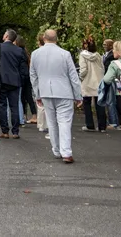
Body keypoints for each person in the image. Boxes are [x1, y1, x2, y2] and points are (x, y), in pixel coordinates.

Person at [30, 28, 83, 163]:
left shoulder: (35, 54)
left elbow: (33, 76)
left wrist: (37, 94)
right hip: (64, 92)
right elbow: (73, 76)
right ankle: (66, 152)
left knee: (52, 122)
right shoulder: (65, 54)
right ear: (57, 39)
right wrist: (78, 95)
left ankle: (56, 150)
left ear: (44, 38)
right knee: (64, 121)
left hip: (45, 92)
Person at [0, 29, 29, 139]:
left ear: (6, 36)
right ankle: (15, 132)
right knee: (14, 106)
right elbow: (23, 68)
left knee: (2, 106)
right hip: (15, 81)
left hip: (1, 80)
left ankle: (5, 131)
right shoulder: (19, 50)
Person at [78, 37, 107, 132]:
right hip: (98, 80)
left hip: (87, 81)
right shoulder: (98, 55)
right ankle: (102, 126)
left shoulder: (82, 55)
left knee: (87, 103)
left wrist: (80, 78)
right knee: (100, 103)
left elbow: (83, 69)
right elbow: (102, 67)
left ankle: (90, 125)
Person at [16, 36, 39, 125]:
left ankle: (24, 115)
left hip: (21, 76)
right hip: (27, 75)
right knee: (28, 96)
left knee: (22, 97)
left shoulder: (18, 52)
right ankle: (34, 115)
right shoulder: (26, 52)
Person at [102, 39, 121, 130]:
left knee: (110, 102)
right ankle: (113, 121)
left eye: (105, 44)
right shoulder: (107, 55)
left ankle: (113, 122)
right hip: (109, 79)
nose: (104, 46)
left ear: (110, 46)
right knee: (110, 101)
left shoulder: (111, 56)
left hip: (110, 80)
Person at [36, 33, 48, 137]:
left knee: (40, 103)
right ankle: (48, 124)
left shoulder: (37, 53)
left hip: (40, 79)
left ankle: (41, 124)